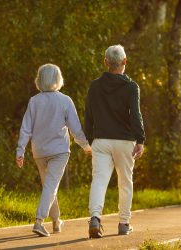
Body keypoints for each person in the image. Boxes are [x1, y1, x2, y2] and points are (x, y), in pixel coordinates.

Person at [16, 63, 92, 237]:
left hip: (39, 151)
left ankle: (56, 221)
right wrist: (86, 146)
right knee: (50, 186)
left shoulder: (34, 101)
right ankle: (39, 221)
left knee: (49, 186)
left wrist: (20, 151)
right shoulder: (65, 100)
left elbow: (25, 128)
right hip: (59, 151)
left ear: (39, 80)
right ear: (58, 79)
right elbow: (75, 129)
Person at [84, 45, 145, 238]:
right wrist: (140, 139)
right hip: (125, 141)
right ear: (125, 62)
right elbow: (136, 115)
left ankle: (95, 218)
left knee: (99, 181)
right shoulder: (131, 87)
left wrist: (89, 139)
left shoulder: (95, 86)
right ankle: (123, 224)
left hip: (101, 141)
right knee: (125, 183)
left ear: (105, 62)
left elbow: (89, 115)